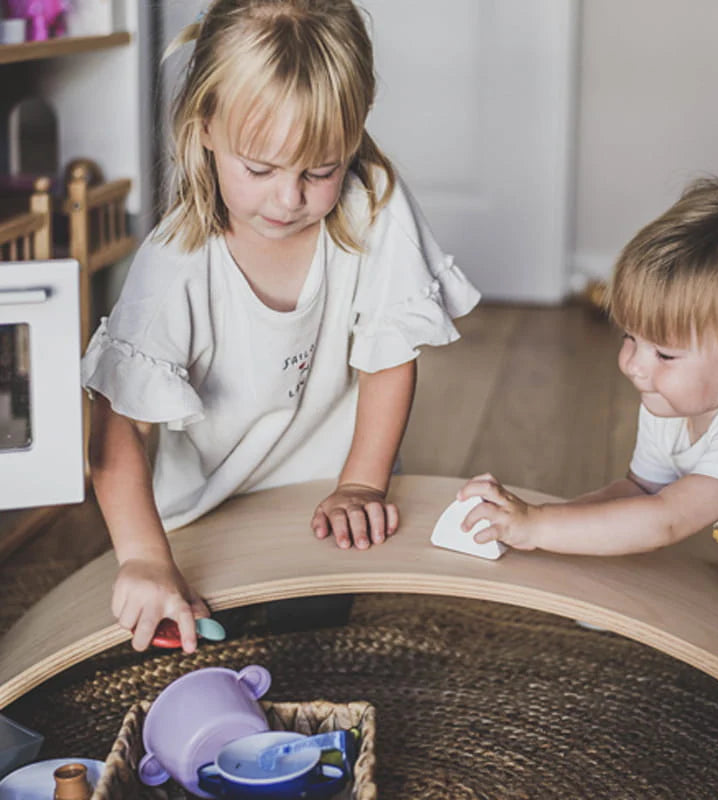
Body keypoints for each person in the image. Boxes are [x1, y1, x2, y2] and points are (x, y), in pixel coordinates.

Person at [81, 0, 480, 652]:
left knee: (317, 633)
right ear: (205, 125)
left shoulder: (373, 199)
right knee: (200, 638)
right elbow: (116, 420)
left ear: (354, 131)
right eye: (260, 170)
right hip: (207, 509)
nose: (289, 199)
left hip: (324, 489)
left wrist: (361, 483)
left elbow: (391, 354)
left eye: (319, 170)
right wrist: (144, 557)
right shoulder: (175, 261)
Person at [459, 178, 718, 637]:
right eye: (630, 338)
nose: (635, 366)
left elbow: (666, 519)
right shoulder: (670, 404)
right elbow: (641, 493)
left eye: (665, 354)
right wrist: (554, 528)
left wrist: (539, 527)